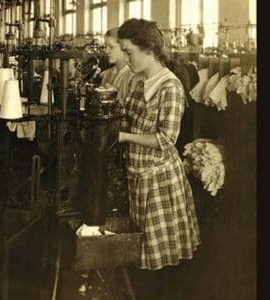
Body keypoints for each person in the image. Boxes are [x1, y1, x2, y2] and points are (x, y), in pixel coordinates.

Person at [117, 19, 201, 274]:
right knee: (140, 252)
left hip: (159, 182)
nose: (126, 58)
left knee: (160, 261)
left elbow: (165, 140)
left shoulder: (170, 87)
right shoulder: (139, 80)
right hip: (139, 175)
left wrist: (123, 137)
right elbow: (130, 117)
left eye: (128, 51)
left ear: (150, 51)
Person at [100, 27, 134, 105]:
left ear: (124, 48)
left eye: (111, 47)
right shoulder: (106, 75)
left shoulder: (132, 76)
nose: (106, 51)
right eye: (105, 46)